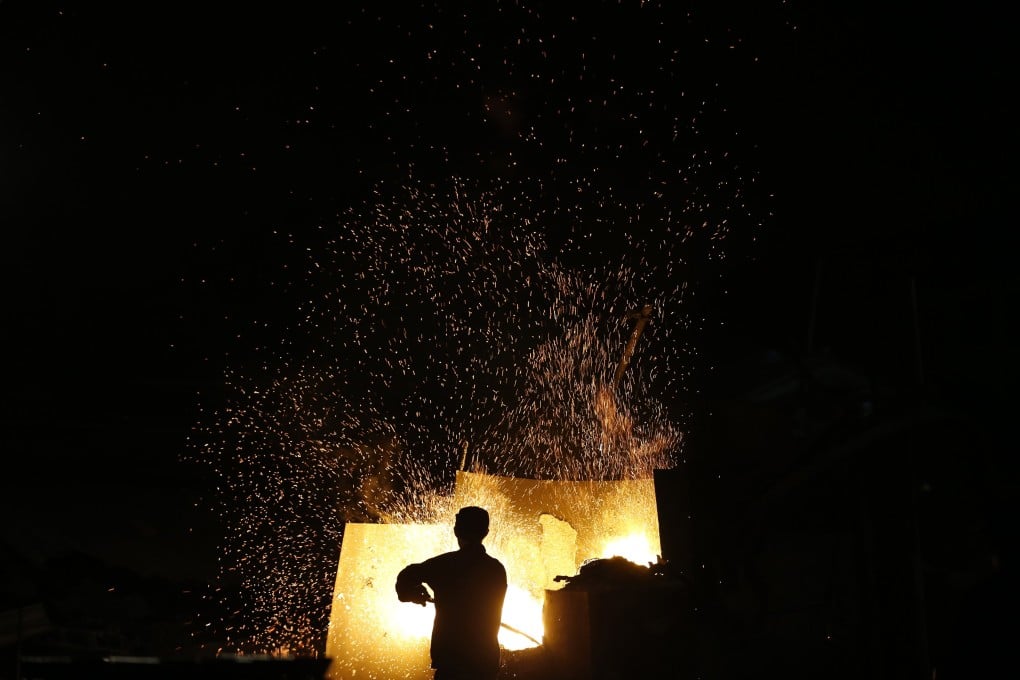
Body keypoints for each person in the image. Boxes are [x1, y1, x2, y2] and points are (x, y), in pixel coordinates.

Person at [396, 506, 508, 680]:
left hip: (451, 663)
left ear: (456, 530)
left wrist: (415, 594)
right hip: (485, 663)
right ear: (486, 532)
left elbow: (406, 577)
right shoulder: (497, 569)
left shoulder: (445, 565)